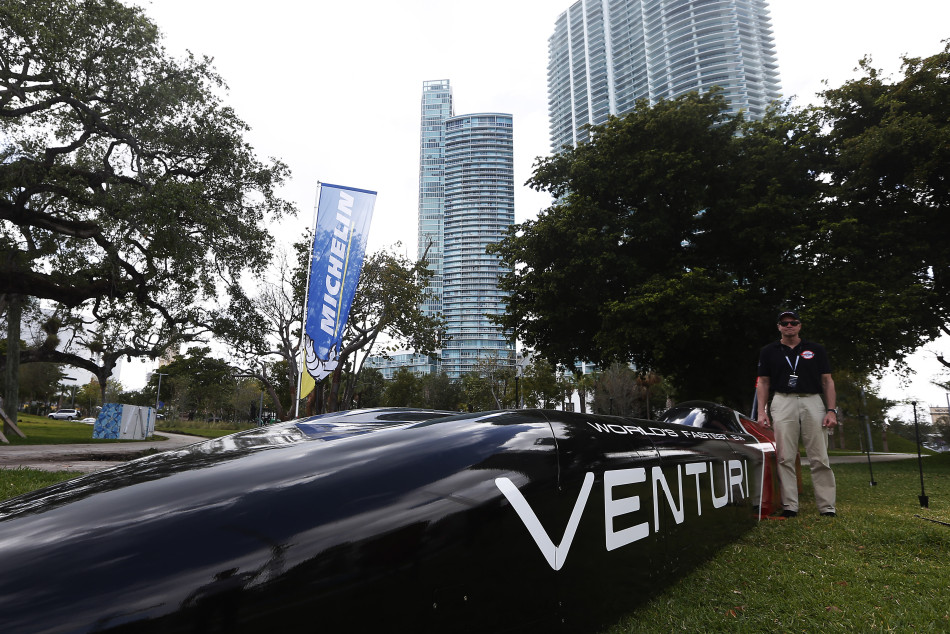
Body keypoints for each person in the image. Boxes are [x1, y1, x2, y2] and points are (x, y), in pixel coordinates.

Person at [756, 311, 837, 518]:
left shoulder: (816, 349)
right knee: (785, 456)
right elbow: (763, 382)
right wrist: (761, 411)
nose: (789, 326)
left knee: (819, 456)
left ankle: (827, 507)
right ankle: (790, 506)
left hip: (812, 400)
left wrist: (831, 410)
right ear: (779, 327)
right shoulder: (768, 351)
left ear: (800, 326)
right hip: (783, 400)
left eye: (793, 322)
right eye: (784, 323)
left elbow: (827, 381)